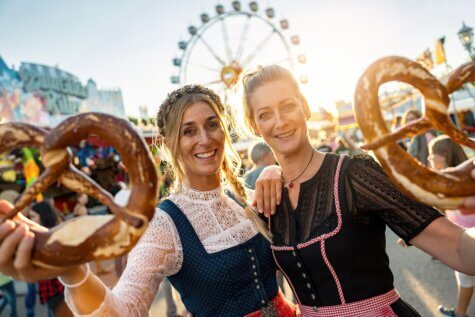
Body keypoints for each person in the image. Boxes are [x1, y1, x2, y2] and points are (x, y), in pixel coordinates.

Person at [0, 85, 293, 317]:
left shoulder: (242, 199)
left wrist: (276, 169)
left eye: (212, 124)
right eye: (188, 130)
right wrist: (71, 271)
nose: (205, 139)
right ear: (168, 145)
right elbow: (125, 310)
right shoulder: (164, 223)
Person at [241, 64, 475, 316]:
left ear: (305, 107)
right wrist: (270, 171)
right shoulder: (268, 198)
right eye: (265, 114)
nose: (279, 121)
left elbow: (458, 249)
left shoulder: (354, 175)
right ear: (254, 126)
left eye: (288, 106)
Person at [429, 136, 475, 317]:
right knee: (465, 278)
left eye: (433, 155)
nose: (429, 159)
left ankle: (459, 313)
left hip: (463, 237)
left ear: (444, 155)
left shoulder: (448, 177)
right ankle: (459, 311)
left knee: (464, 277)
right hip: (465, 234)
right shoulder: (464, 175)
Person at [29, 201, 73, 317]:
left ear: (43, 216)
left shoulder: (53, 235)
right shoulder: (36, 236)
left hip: (59, 288)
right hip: (51, 289)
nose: (30, 220)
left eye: (33, 216)